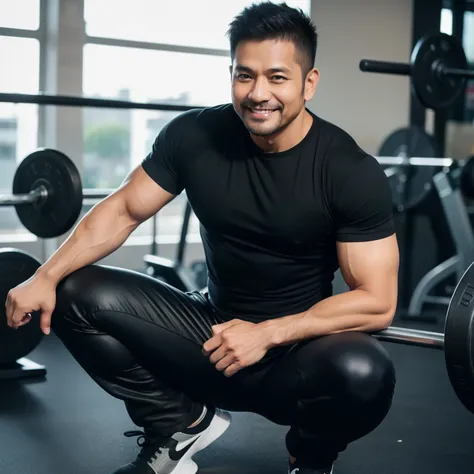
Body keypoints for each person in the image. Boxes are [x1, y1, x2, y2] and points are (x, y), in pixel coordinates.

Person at [5, 2, 399, 474]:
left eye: (277, 77)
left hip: (295, 354)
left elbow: (378, 300)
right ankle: (178, 424)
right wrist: (44, 274)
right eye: (244, 75)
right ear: (230, 73)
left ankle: (309, 456)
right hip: (208, 336)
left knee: (365, 371)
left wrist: (268, 333)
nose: (258, 94)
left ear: (308, 82)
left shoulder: (348, 170)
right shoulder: (194, 136)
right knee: (70, 287)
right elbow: (124, 209)